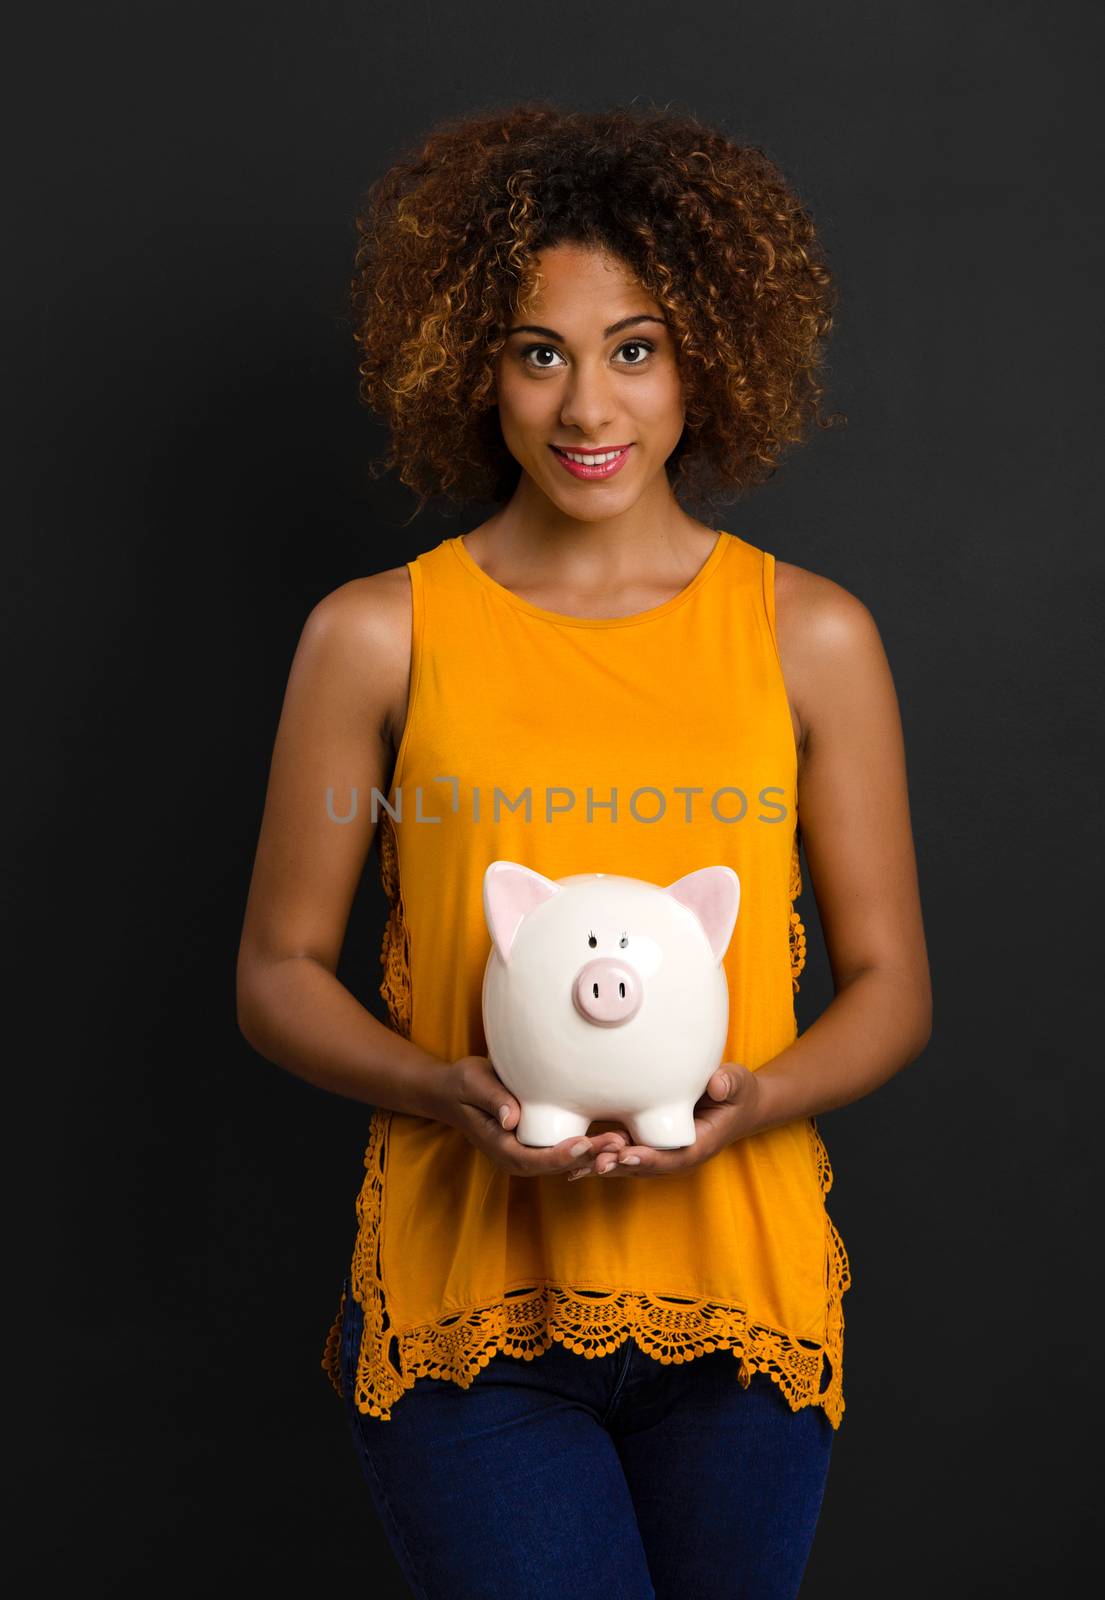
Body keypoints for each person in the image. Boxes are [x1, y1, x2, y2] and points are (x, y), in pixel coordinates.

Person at [237, 101, 932, 1600]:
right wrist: (439, 1087)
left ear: (708, 360)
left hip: (737, 1304)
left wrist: (756, 1101)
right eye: (535, 351)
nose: (584, 408)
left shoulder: (808, 636)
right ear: (468, 363)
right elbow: (277, 971)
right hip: (467, 1312)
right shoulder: (377, 635)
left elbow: (886, 984)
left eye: (634, 348)